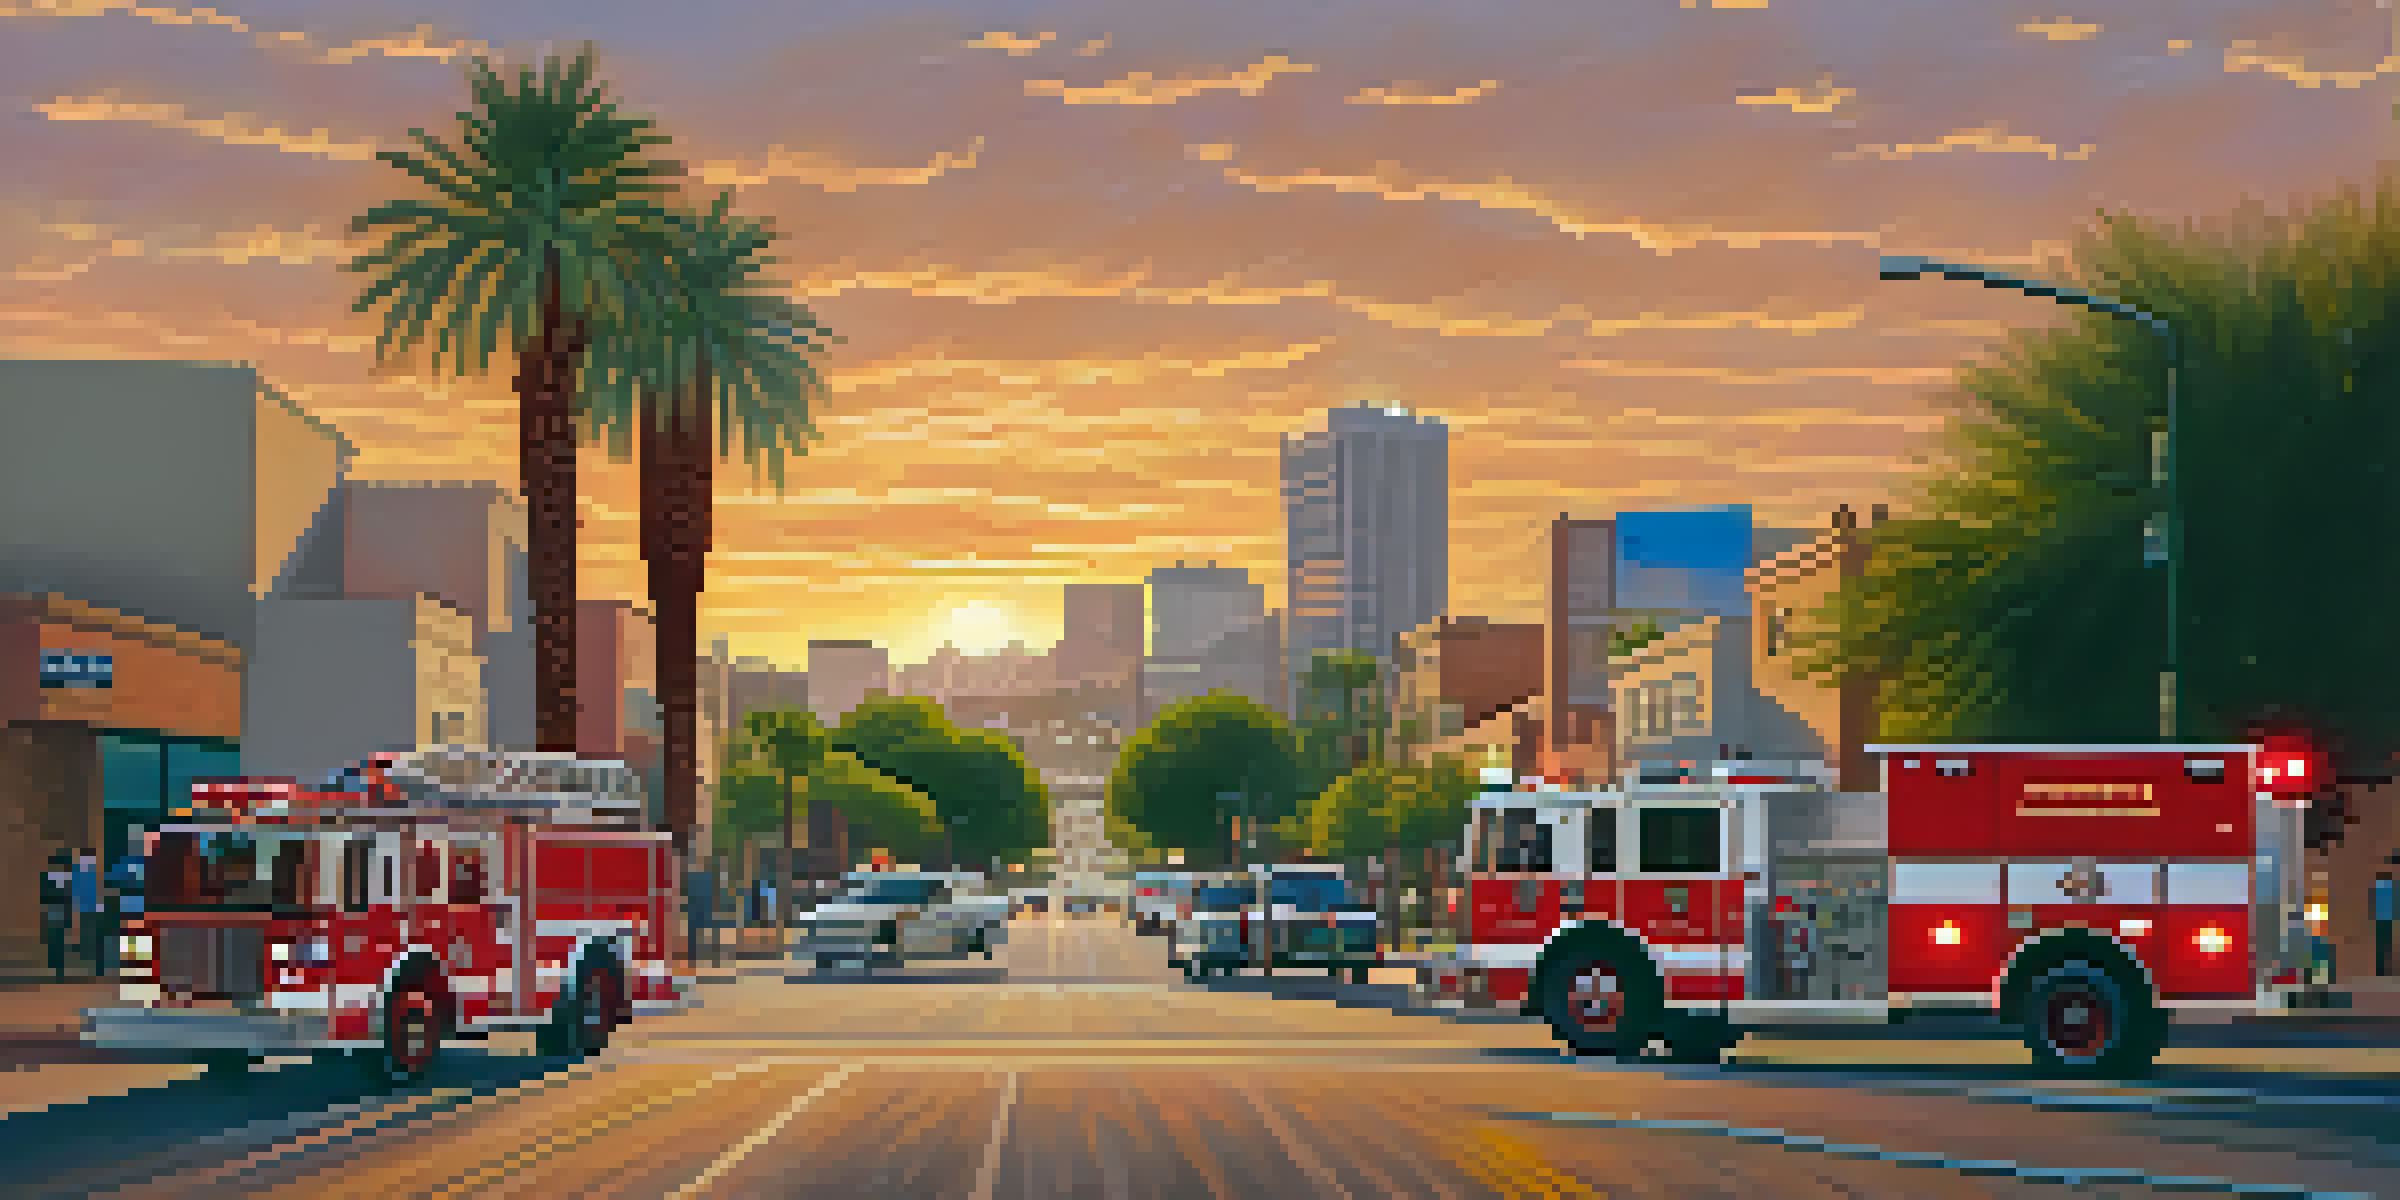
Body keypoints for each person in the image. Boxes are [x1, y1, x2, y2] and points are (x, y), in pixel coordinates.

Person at [40, 851, 73, 980]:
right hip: (57, 915)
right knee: (57, 942)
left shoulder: (53, 877)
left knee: (58, 942)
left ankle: (58, 970)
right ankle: (58, 970)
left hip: (59, 914)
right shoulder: (62, 878)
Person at [71, 849, 102, 977]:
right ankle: (90, 968)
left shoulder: (90, 873)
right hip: (86, 911)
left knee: (92, 940)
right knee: (88, 940)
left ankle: (93, 968)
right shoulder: (82, 874)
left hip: (90, 911)